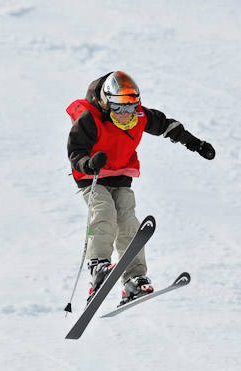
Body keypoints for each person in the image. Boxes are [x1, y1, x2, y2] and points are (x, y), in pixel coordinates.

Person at [66, 71, 215, 305]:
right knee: (104, 213)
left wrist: (196, 144)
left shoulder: (140, 117)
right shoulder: (90, 119)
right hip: (92, 176)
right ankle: (98, 267)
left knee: (128, 221)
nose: (126, 115)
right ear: (106, 102)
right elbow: (75, 151)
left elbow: (169, 127)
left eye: (131, 107)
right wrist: (89, 164)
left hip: (121, 175)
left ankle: (134, 278)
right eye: (119, 108)